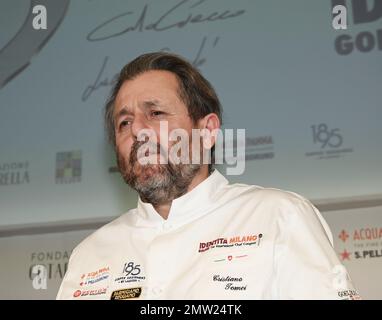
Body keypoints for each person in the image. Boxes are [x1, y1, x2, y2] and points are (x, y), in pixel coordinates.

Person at [57, 52, 360, 300]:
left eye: (156, 114)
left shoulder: (278, 216)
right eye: (124, 123)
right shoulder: (88, 256)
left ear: (207, 131)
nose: (137, 130)